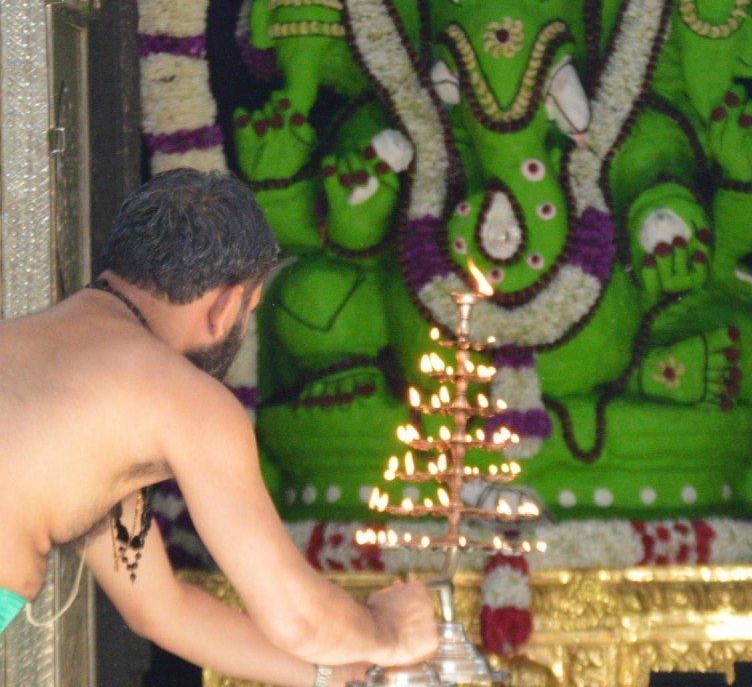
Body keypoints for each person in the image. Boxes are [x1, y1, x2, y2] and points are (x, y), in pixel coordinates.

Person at [0, 168, 437, 685]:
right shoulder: (183, 399)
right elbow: (298, 618)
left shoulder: (46, 365)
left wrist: (338, 676)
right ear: (228, 304)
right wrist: (391, 631)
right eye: (249, 310)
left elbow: (161, 609)